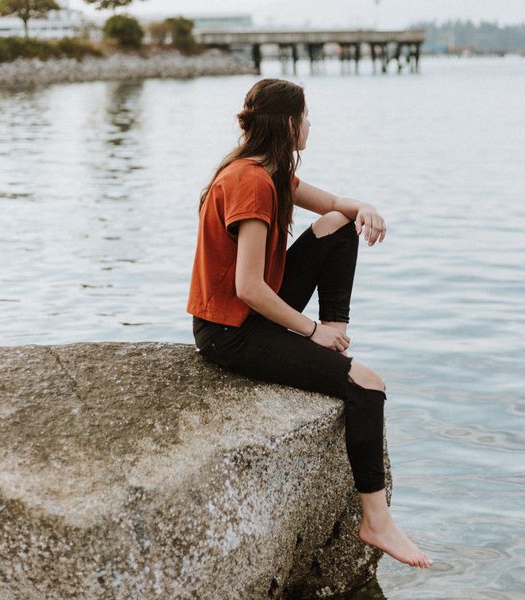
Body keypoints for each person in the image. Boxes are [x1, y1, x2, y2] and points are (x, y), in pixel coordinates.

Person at [187, 78, 432, 569]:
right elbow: (248, 288)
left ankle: (334, 337)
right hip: (232, 330)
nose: (310, 125)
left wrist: (367, 207)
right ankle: (375, 522)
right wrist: (311, 331)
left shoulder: (270, 173)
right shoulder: (251, 183)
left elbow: (338, 207)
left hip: (257, 311)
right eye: (306, 116)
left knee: (341, 225)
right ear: (289, 123)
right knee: (368, 384)